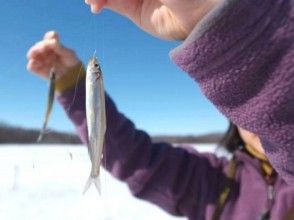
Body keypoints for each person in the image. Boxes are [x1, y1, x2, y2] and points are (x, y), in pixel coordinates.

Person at [26, 0, 294, 219]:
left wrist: (229, 22)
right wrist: (73, 84)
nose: (261, 120)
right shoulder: (214, 182)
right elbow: (135, 158)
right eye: (249, 108)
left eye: (262, 98)